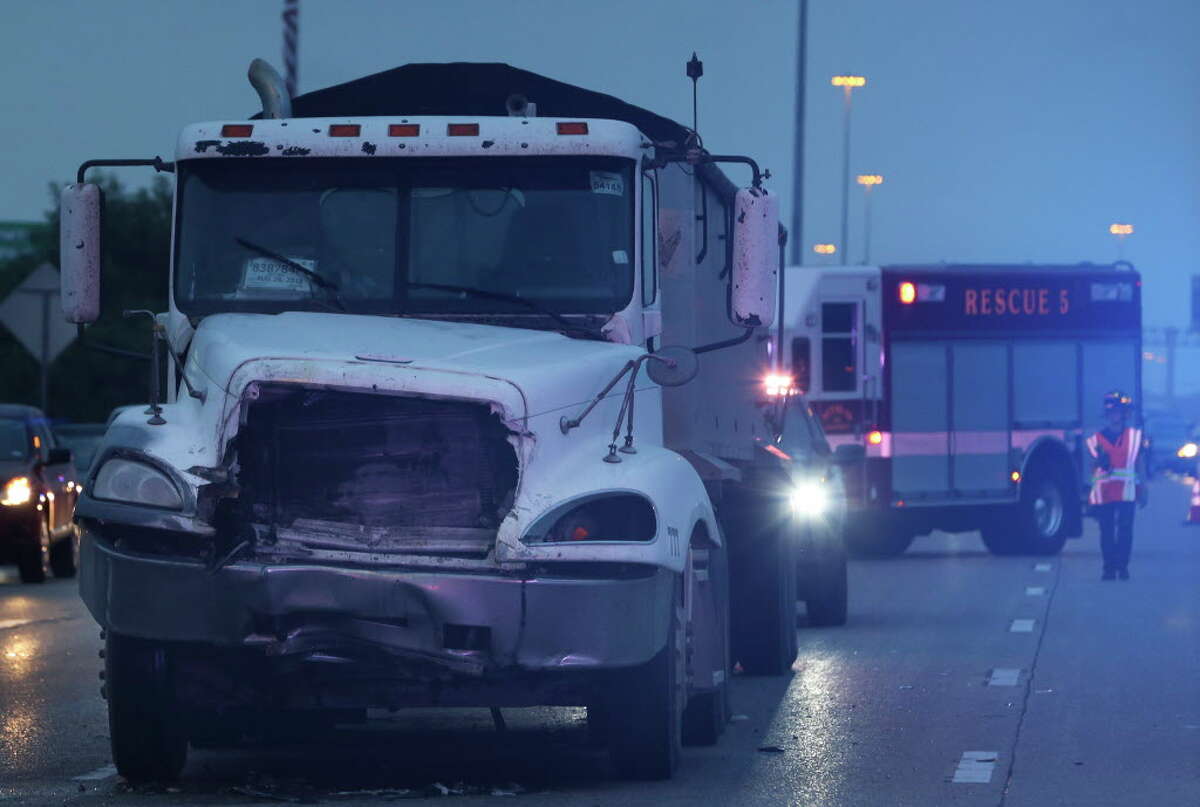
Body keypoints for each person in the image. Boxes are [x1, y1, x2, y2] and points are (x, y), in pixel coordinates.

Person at [1085, 391, 1147, 580]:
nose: (1115, 416)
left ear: (1124, 414)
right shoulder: (1096, 439)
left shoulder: (1135, 436)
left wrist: (1143, 489)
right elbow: (1092, 468)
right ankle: (1108, 568)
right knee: (1107, 531)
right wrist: (1098, 465)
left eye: (1118, 412)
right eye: (1111, 412)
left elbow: (1140, 463)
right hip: (1104, 493)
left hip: (1127, 492)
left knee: (1125, 530)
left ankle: (1122, 567)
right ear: (1107, 414)